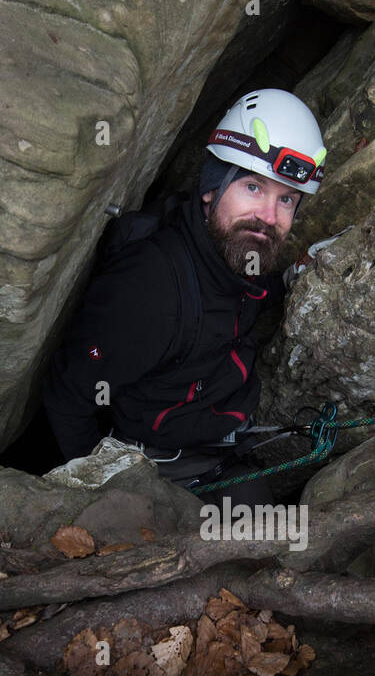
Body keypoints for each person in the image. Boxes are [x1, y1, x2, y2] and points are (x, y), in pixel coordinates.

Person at [42, 88, 334, 502]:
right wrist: (106, 492)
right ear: (212, 187)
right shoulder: (151, 290)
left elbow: (241, 294)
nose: (268, 218)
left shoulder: (231, 251)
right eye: (253, 187)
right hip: (163, 471)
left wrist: (291, 278)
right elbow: (68, 394)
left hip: (220, 443)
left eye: (285, 199)